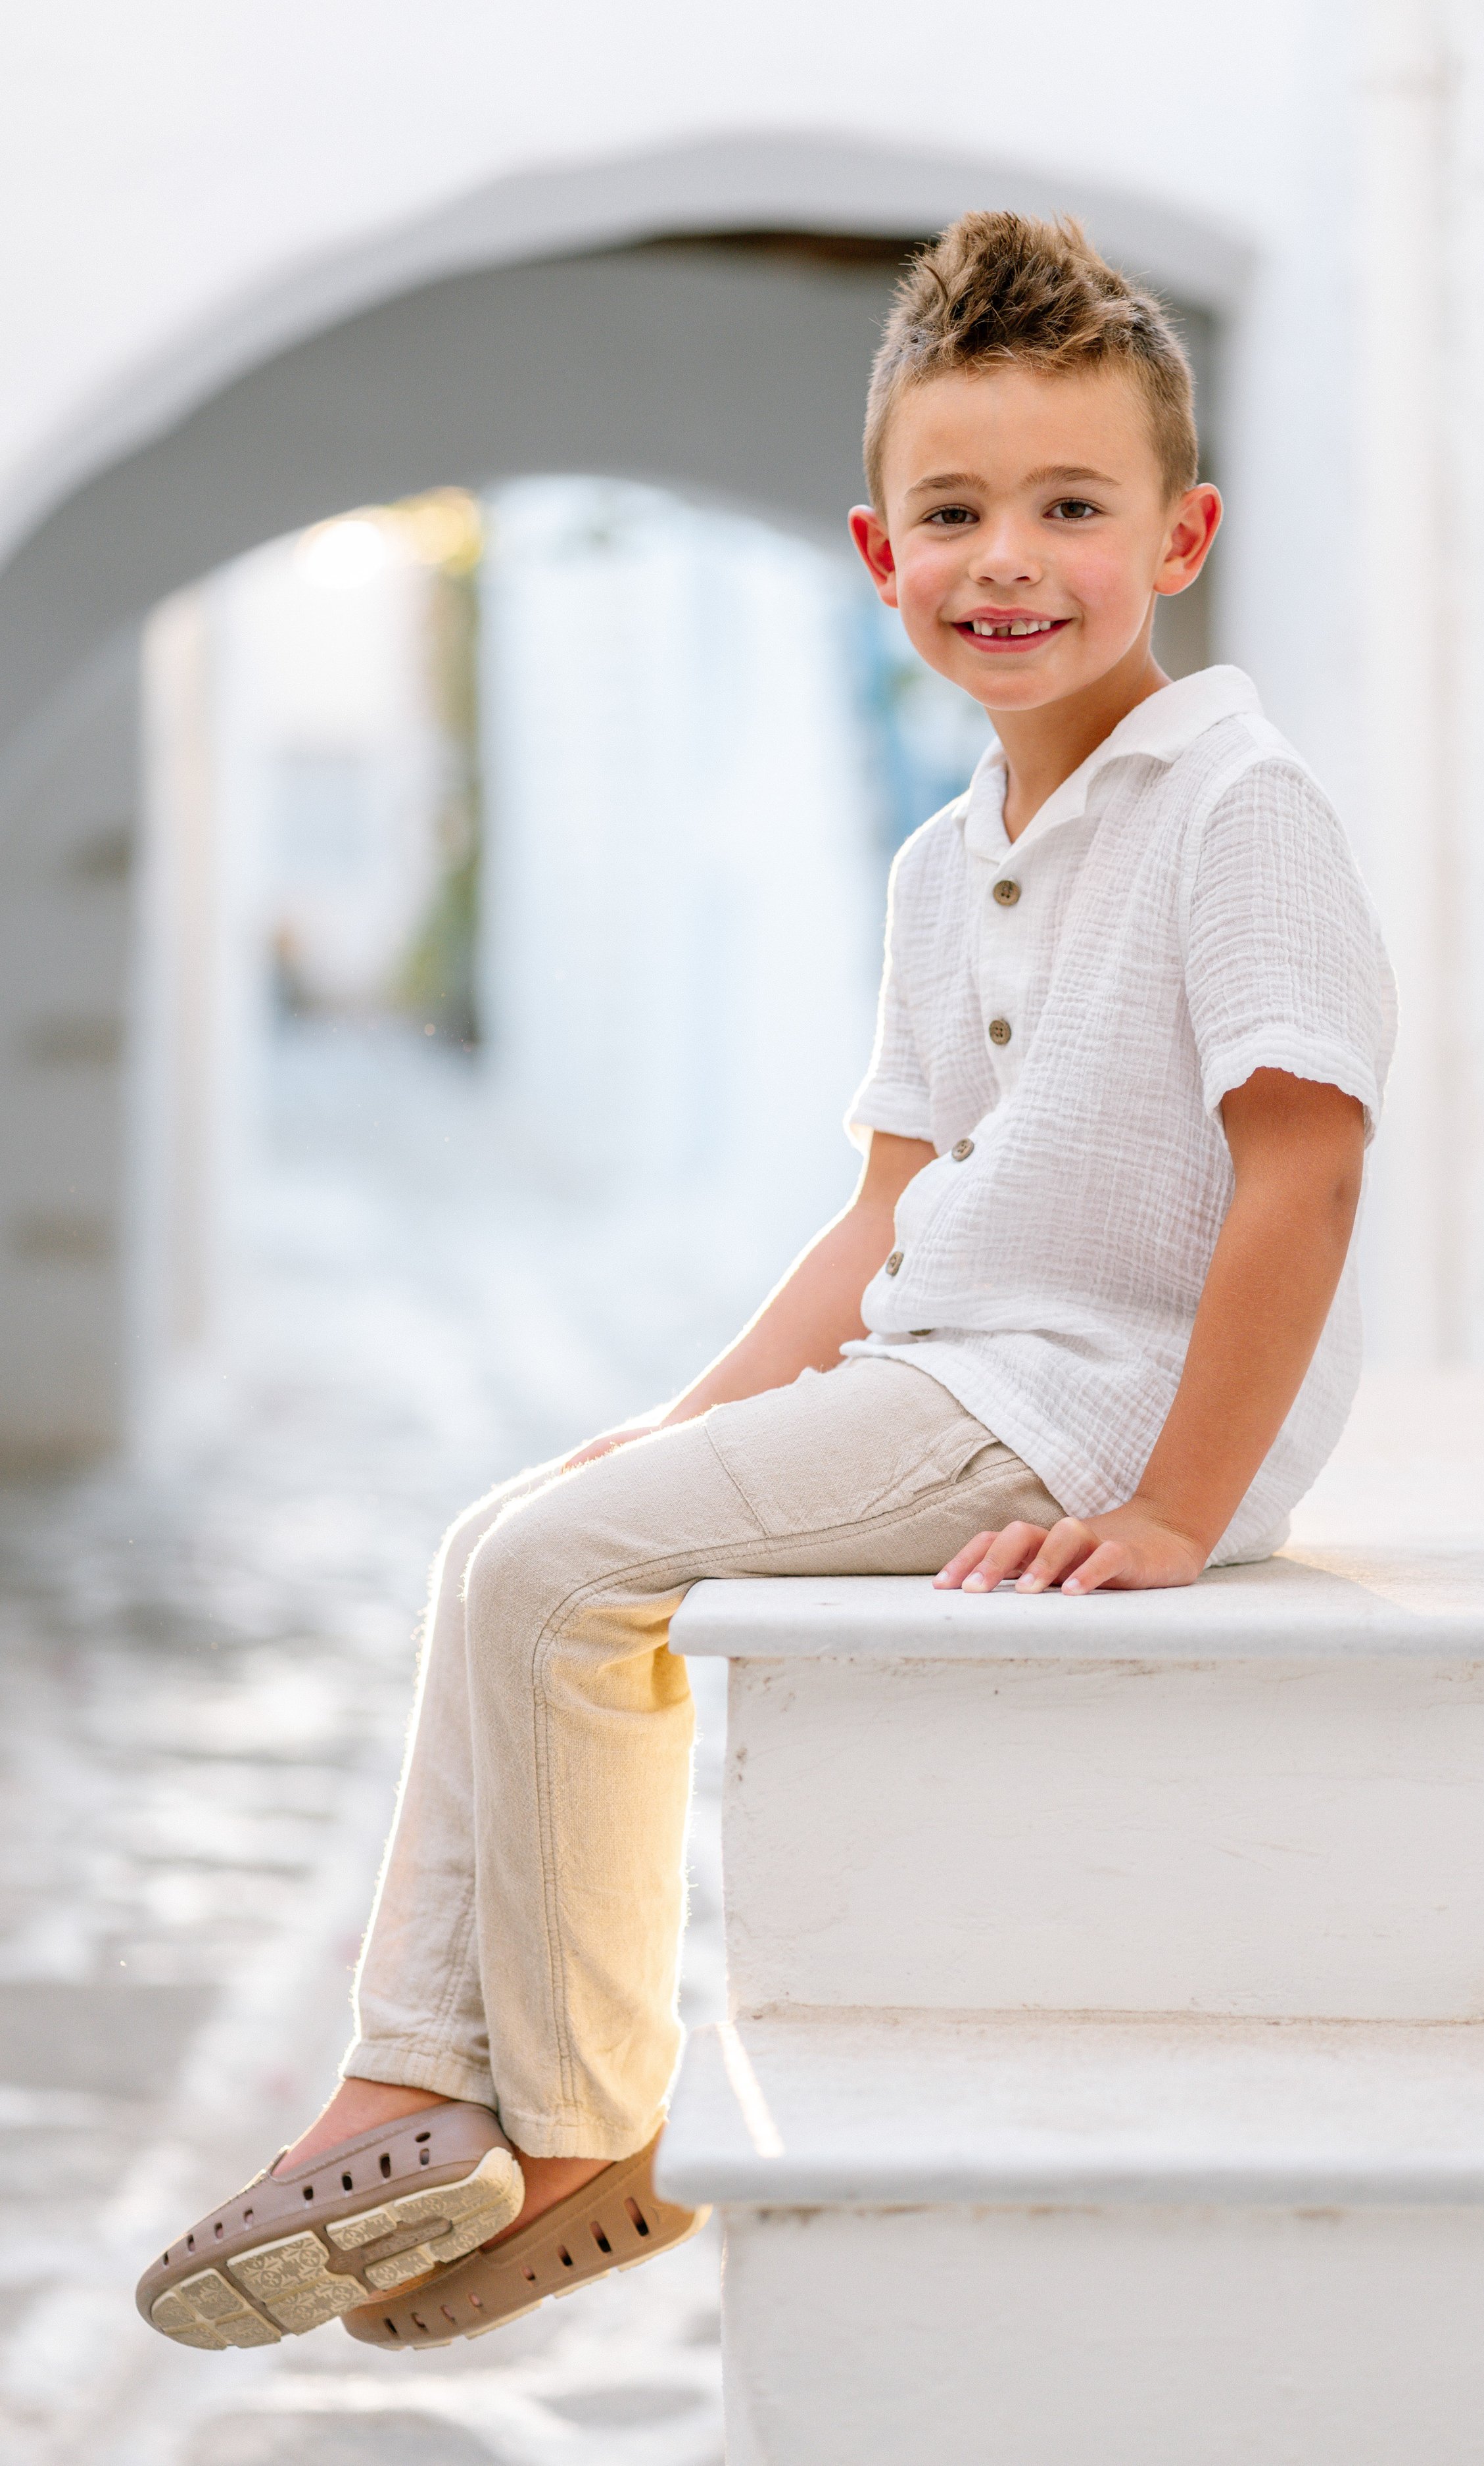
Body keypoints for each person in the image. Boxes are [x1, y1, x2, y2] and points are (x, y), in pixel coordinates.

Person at [137, 209, 1395, 2354]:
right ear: (874, 547)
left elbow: (1304, 1168)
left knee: (553, 1573)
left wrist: (1182, 1504)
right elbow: (882, 1213)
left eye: (1069, 508)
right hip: (968, 1362)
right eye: (954, 512)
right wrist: (696, 1419)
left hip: (1091, 1406)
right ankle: (438, 2086)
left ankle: (544, 2125)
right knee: (520, 1535)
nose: (1008, 556)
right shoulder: (947, 858)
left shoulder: (1233, 810)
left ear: (1177, 536)